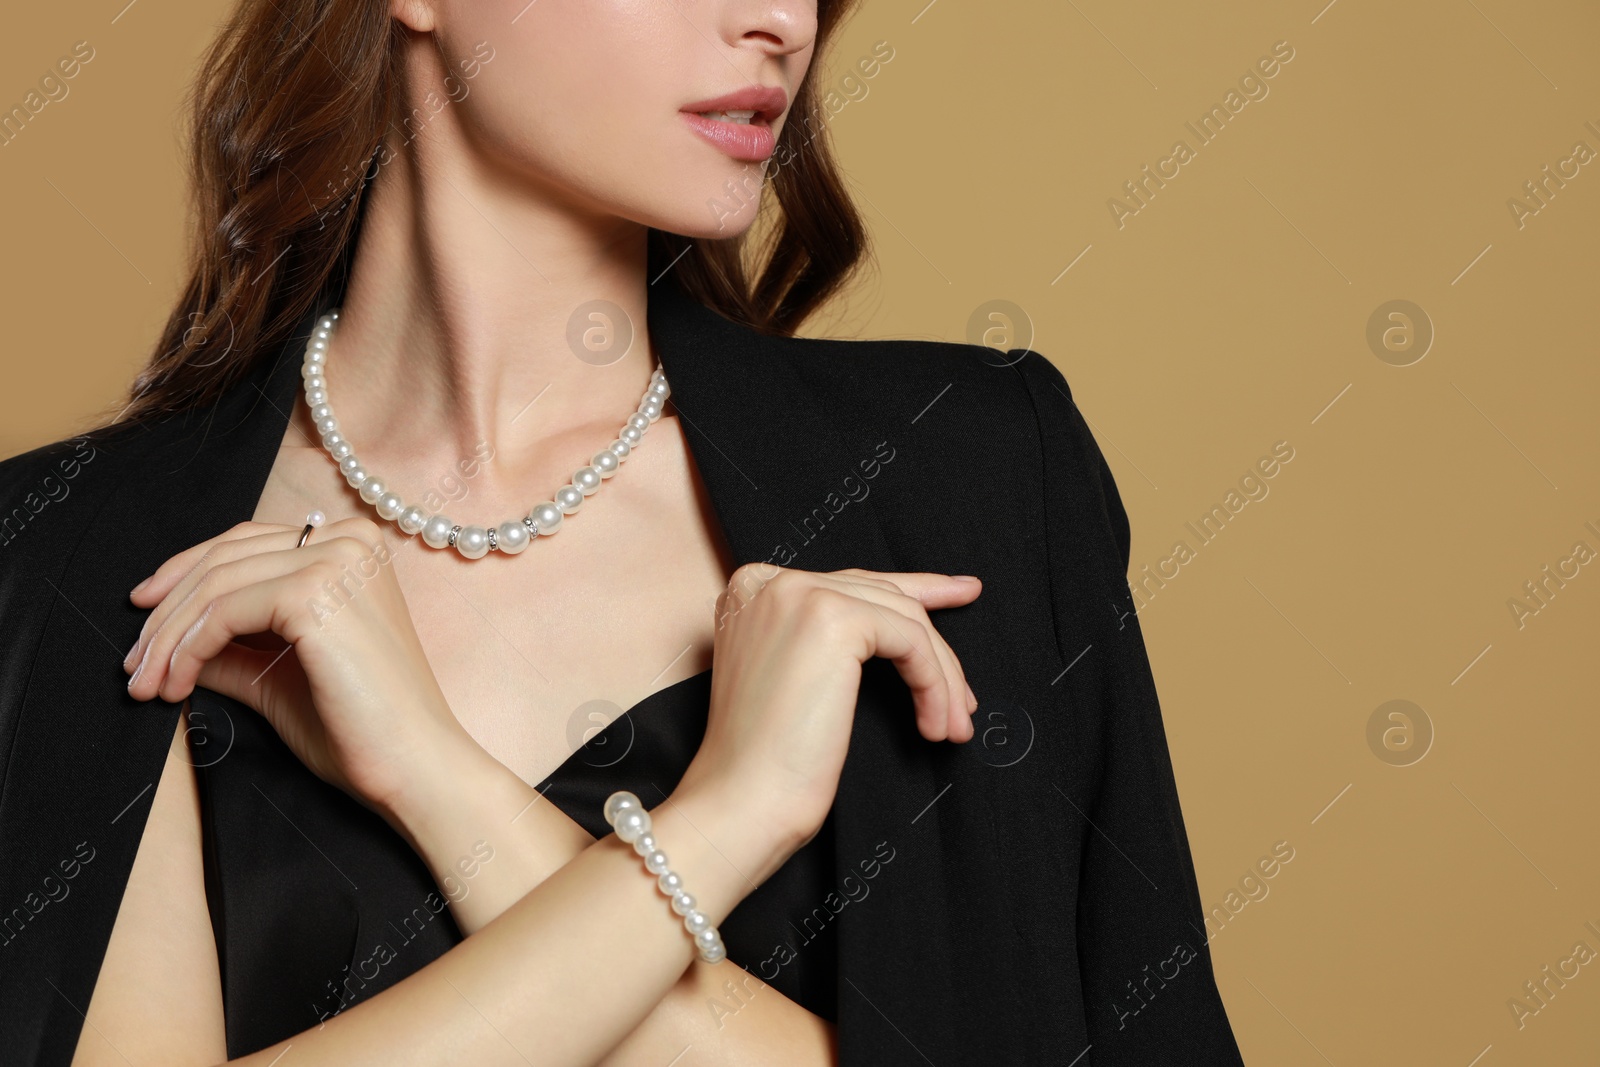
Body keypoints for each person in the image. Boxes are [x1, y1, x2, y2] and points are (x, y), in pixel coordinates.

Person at [0, 1, 1248, 1064]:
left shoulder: (969, 473)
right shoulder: (70, 555)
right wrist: (724, 816)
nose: (778, 20)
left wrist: (438, 779)